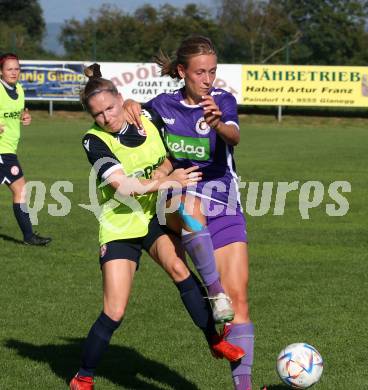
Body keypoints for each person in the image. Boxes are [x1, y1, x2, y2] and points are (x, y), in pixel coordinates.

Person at [69, 64, 245, 390]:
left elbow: (167, 158)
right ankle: (83, 377)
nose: (107, 117)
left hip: (152, 217)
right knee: (115, 310)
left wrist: (167, 174)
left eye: (110, 108)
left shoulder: (146, 119)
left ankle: (214, 340)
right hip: (121, 226)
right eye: (98, 114)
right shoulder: (93, 141)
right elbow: (123, 186)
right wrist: (166, 181)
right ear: (91, 117)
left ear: (121, 99)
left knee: (180, 270)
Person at [124, 36, 254, 390]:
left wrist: (217, 124)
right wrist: (131, 104)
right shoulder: (163, 105)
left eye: (213, 71)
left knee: (239, 302)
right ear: (182, 71)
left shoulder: (223, 102)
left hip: (224, 203)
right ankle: (213, 293)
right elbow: (132, 119)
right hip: (176, 201)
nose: (208, 79)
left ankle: (242, 387)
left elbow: (234, 137)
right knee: (190, 204)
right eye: (200, 72)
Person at [0, 52, 51, 246]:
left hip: (9, 150)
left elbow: (19, 113)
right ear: (1, 72)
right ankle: (29, 236)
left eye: (17, 68)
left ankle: (29, 236)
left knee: (20, 190)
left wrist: (25, 118)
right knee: (20, 189)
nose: (14, 72)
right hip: (2, 151)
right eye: (9, 69)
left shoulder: (19, 89)